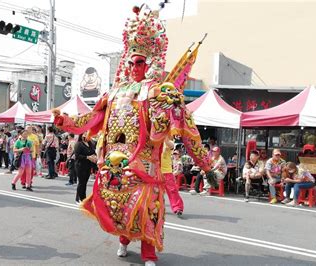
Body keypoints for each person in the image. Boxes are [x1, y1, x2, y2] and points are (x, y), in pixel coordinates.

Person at [53, 6, 213, 265]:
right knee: (118, 206)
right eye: (131, 61)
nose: (134, 66)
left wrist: (204, 163)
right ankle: (124, 240)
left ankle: (148, 252)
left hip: (145, 164)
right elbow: (92, 119)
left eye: (139, 62)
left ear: (149, 63)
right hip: (114, 165)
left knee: (148, 208)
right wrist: (66, 121)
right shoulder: (115, 92)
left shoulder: (157, 91)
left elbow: (182, 128)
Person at [161, 139, 184, 217]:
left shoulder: (167, 141)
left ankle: (178, 208)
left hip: (166, 171)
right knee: (155, 192)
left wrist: (164, 137)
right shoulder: (153, 141)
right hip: (155, 172)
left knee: (172, 191)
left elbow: (171, 145)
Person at [74, 133, 96, 203]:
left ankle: (83, 197)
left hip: (88, 165)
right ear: (82, 135)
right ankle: (79, 198)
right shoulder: (79, 144)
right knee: (81, 182)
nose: (87, 135)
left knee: (85, 182)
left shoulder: (90, 143)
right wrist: (87, 157)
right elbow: (77, 156)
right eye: (85, 134)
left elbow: (93, 152)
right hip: (80, 165)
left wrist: (94, 156)